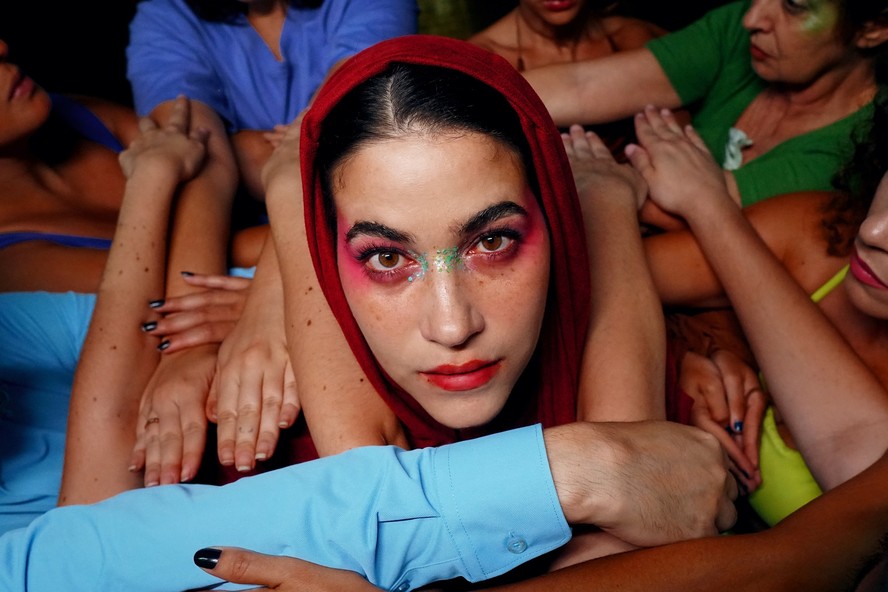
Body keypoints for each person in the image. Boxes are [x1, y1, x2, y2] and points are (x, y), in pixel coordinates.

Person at [0, 35, 736, 591]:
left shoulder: (595, 271)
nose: (452, 326)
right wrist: (282, 237)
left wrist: (607, 214)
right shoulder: (280, 446)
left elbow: (645, 507)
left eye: (493, 241)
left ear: (557, 216)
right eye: (386, 258)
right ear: (327, 259)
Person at [112, 0, 418, 488]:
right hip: (269, 243)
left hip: (359, 225)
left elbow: (338, 137)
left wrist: (274, 299)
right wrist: (189, 348)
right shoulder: (166, 14)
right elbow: (199, 161)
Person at [0, 38, 248, 533]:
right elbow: (189, 298)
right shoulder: (14, 265)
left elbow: (215, 140)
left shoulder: (71, 115)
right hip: (177, 423)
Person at [634, 99, 888, 525]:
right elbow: (593, 276)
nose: (874, 231)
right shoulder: (826, 235)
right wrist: (685, 355)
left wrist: (707, 203)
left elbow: (857, 463)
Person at [522, 0, 888, 212]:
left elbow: (704, 214)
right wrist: (483, 94)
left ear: (874, 27)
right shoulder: (738, 33)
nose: (752, 19)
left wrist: (601, 182)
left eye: (794, 5)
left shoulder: (865, 142)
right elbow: (582, 86)